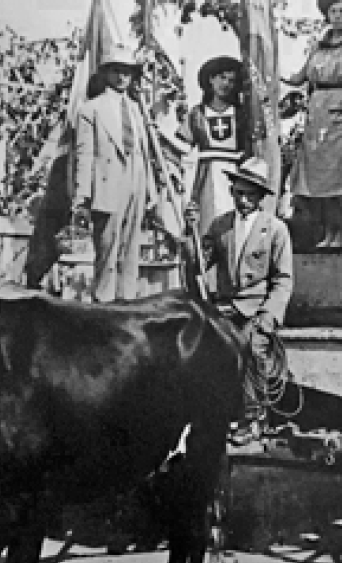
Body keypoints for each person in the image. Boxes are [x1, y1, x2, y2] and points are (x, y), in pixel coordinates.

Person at [202, 157, 293, 444]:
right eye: (239, 193)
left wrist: (269, 316)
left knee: (253, 350)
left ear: (261, 198)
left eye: (250, 195)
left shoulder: (275, 230)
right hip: (224, 308)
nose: (243, 200)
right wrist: (188, 237)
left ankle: (253, 419)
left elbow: (283, 280)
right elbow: (197, 263)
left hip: (256, 309)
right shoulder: (220, 227)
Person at [282, 0, 342, 252]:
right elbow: (299, 77)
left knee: (341, 175)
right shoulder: (317, 47)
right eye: (333, 11)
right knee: (318, 177)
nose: (337, 16)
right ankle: (327, 231)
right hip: (318, 111)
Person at [71, 44, 159, 302]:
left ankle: (127, 302)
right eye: (117, 71)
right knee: (108, 248)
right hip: (108, 182)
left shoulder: (137, 110)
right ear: (106, 73)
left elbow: (144, 152)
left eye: (128, 72)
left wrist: (150, 189)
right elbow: (84, 155)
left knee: (131, 249)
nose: (122, 78)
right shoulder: (91, 109)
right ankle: (104, 302)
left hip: (135, 180)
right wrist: (82, 195)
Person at [176, 55, 248, 236]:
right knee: (206, 225)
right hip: (206, 176)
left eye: (232, 80)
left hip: (235, 174)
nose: (226, 84)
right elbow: (181, 147)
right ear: (211, 79)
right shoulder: (197, 114)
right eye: (222, 78)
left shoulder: (242, 114)